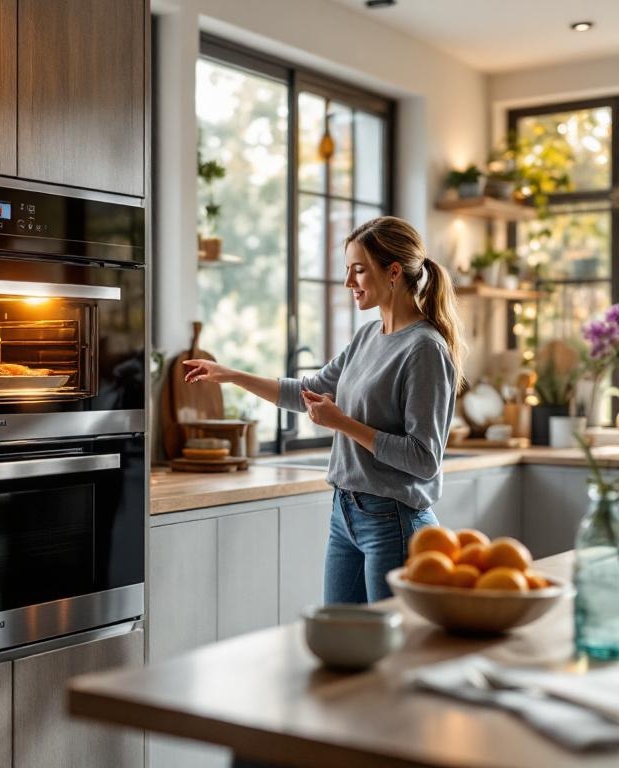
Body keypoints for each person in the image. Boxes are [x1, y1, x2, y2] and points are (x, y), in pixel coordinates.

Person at [183, 216, 466, 603]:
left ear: (394, 272)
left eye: (358, 270)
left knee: (386, 653)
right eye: (347, 270)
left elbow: (424, 458)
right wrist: (231, 375)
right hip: (345, 513)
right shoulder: (368, 336)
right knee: (343, 644)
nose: (349, 282)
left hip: (393, 520)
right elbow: (308, 391)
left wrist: (343, 424)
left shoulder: (424, 349)